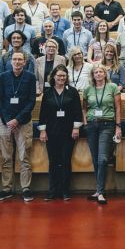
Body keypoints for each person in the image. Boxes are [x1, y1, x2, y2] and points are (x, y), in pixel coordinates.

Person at [0, 52, 37, 202]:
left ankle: (25, 188)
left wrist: (17, 120)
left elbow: (31, 101)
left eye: (20, 59)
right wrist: (8, 120)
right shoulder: (4, 77)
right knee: (6, 157)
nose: (17, 61)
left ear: (25, 62)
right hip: (5, 122)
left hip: (23, 122)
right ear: (10, 62)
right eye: (14, 59)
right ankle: (7, 188)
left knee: (24, 157)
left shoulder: (31, 77)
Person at [39, 65, 83, 201]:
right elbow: (43, 114)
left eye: (63, 75)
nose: (61, 78)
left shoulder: (73, 92)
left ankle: (65, 191)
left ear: (66, 77)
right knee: (53, 162)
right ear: (53, 77)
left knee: (65, 161)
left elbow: (77, 111)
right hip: (51, 132)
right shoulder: (47, 93)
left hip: (68, 132)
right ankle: (53, 191)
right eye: (58, 76)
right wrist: (42, 131)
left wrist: (76, 128)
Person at [83, 63, 122, 205]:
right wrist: (85, 123)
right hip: (92, 125)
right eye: (96, 72)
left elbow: (118, 108)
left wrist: (118, 126)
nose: (99, 74)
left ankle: (100, 191)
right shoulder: (88, 89)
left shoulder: (112, 88)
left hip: (107, 124)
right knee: (95, 158)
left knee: (103, 158)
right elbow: (84, 108)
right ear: (93, 75)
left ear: (105, 74)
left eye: (101, 72)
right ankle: (99, 190)